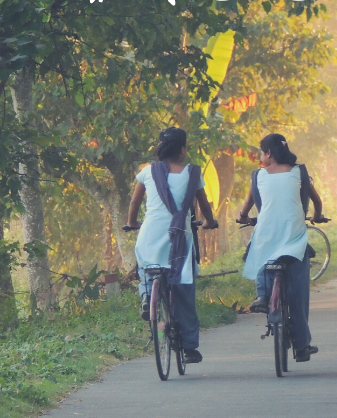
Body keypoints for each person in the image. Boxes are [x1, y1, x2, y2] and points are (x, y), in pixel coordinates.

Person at [125, 128, 218, 364]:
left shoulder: (147, 172)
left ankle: (147, 295)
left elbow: (135, 201)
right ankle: (189, 347)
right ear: (183, 149)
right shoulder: (192, 173)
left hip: (151, 233)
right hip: (180, 237)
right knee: (184, 290)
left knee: (147, 265)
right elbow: (204, 205)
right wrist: (209, 221)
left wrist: (131, 222)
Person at [237, 133, 324, 363]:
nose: (260, 158)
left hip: (267, 233)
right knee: (298, 291)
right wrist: (317, 216)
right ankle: (302, 345)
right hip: (293, 235)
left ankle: (263, 295)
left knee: (258, 252)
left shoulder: (258, 176)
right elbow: (316, 201)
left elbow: (246, 208)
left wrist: (243, 217)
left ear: (268, 154)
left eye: (261, 153)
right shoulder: (299, 172)